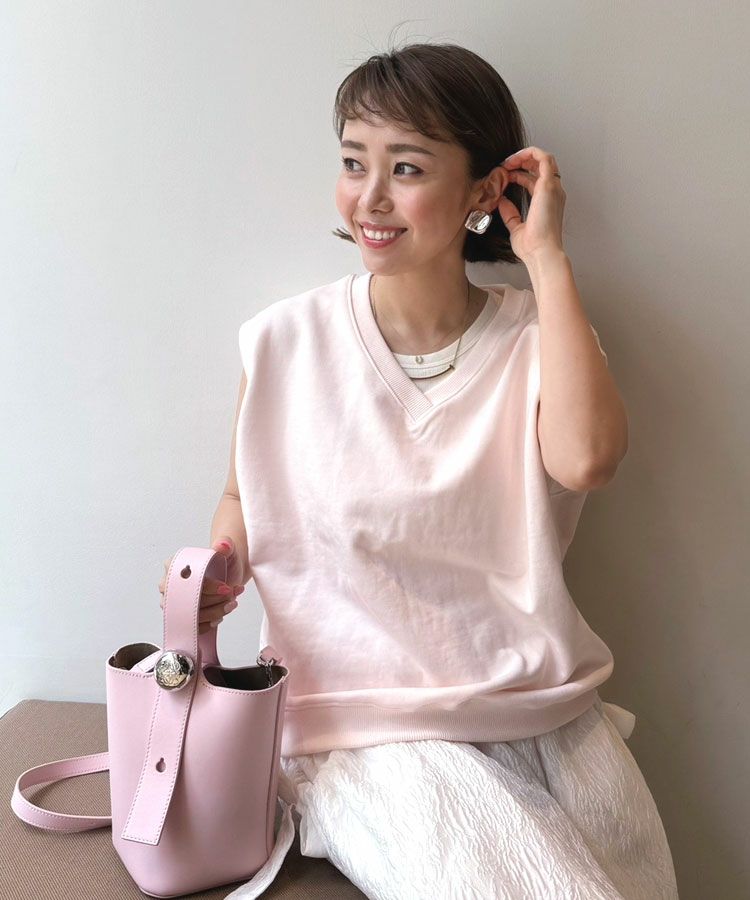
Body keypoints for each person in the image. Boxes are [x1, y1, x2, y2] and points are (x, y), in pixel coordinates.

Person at [201, 40, 679, 900]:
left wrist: (546, 257)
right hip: (366, 732)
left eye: (407, 168)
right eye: (354, 162)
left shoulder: (541, 338)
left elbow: (587, 461)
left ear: (485, 192)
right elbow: (245, 491)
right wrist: (220, 568)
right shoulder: (284, 343)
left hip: (547, 718)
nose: (370, 198)